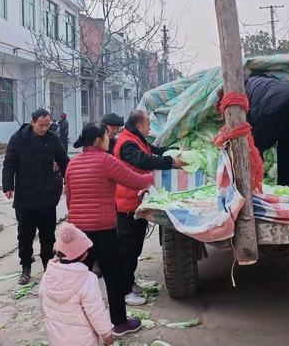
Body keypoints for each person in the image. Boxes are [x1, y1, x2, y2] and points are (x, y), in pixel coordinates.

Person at [66, 122, 154, 337]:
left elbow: (69, 198)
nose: (109, 140)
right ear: (98, 141)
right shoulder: (106, 161)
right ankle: (120, 324)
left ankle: (81, 327)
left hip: (78, 232)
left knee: (81, 280)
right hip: (103, 230)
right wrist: (155, 176)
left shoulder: (72, 164)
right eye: (107, 136)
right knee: (113, 278)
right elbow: (135, 181)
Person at [114, 110, 184, 306]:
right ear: (139, 126)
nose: (150, 128)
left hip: (135, 201)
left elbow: (153, 150)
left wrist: (175, 151)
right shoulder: (127, 143)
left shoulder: (136, 139)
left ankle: (129, 284)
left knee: (134, 248)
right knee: (128, 249)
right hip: (127, 203)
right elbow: (144, 160)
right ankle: (124, 292)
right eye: (148, 124)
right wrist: (171, 162)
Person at [2, 108, 70, 285]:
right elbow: (9, 162)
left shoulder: (53, 138)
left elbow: (64, 161)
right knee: (24, 235)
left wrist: (69, 181)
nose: (44, 128)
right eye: (41, 125)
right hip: (25, 195)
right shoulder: (19, 139)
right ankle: (26, 267)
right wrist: (8, 185)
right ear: (32, 122)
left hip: (48, 195)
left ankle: (48, 266)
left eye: (47, 125)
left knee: (48, 235)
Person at [39, 222, 114, 346]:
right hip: (83, 340)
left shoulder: (48, 274)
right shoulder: (87, 279)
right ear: (84, 255)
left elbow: (42, 301)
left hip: (56, 337)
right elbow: (95, 310)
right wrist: (106, 333)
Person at [244, 75, 289, 187]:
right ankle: (286, 187)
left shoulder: (240, 94)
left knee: (254, 148)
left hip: (279, 107)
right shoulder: (262, 82)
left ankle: (253, 187)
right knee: (287, 149)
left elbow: (248, 123)